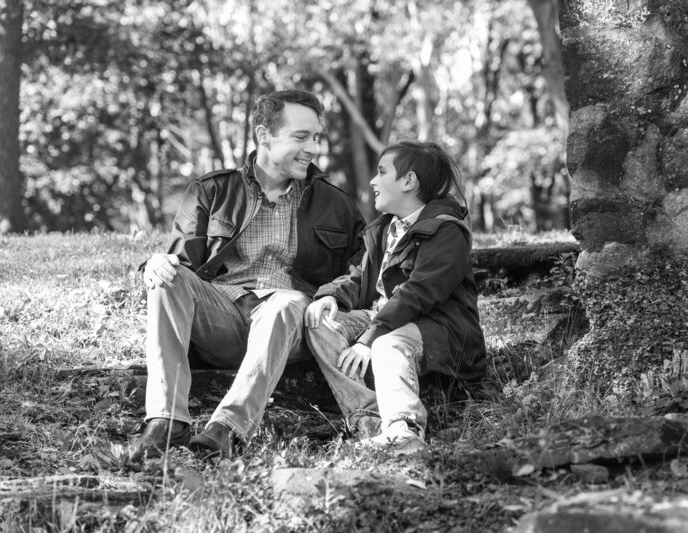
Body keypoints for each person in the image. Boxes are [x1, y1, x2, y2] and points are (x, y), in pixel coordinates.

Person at [129, 89, 365, 461]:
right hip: (222, 316)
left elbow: (361, 269)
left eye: (316, 137)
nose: (313, 149)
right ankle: (166, 419)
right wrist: (157, 264)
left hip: (290, 325)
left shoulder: (336, 204)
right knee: (167, 277)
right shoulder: (211, 190)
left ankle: (226, 428)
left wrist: (332, 294)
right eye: (301, 137)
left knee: (285, 302)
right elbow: (182, 263)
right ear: (264, 135)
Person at [304, 141, 485, 455]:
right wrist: (331, 296)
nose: (373, 181)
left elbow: (418, 293)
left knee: (387, 344)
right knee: (320, 323)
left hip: (441, 327)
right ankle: (370, 420)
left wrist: (369, 339)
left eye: (382, 172)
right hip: (386, 318)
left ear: (408, 181)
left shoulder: (445, 231)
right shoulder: (385, 230)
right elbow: (359, 277)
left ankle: (404, 430)